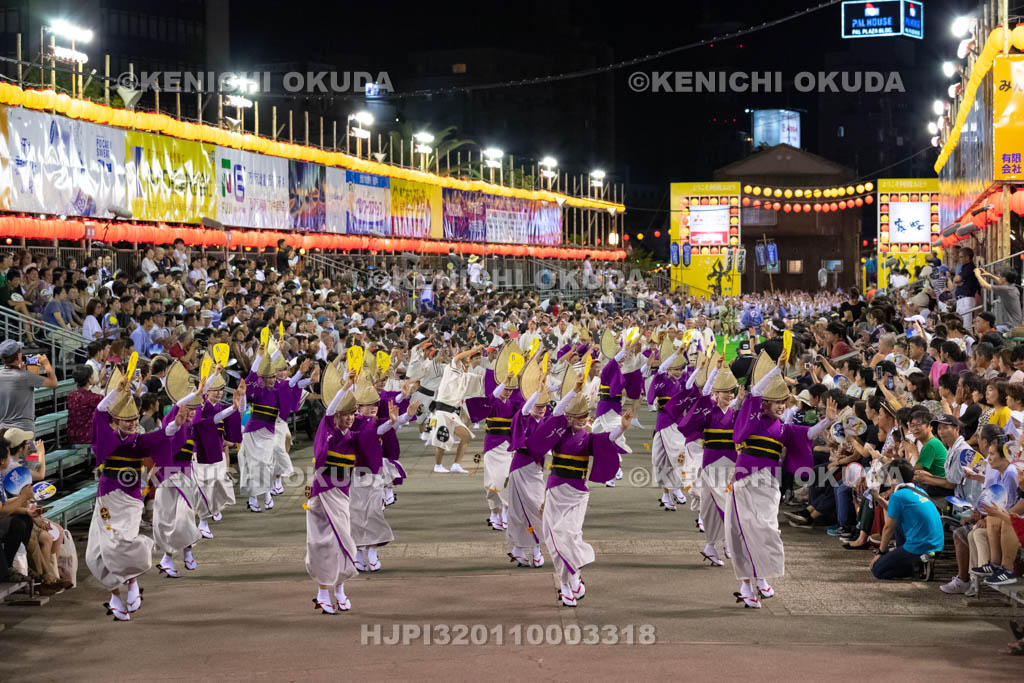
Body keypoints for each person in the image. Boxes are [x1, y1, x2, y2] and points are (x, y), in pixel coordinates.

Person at [726, 351, 836, 609]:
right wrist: (776, 371)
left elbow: (807, 433)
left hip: (769, 482)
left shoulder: (782, 428)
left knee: (767, 529)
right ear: (764, 402)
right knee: (742, 531)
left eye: (784, 402)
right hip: (745, 478)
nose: (781, 406)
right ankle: (747, 584)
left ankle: (760, 577)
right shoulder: (751, 416)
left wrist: (828, 421)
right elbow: (753, 394)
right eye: (776, 401)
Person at [87, 367, 187, 620]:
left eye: (134, 420)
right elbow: (99, 413)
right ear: (116, 420)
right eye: (126, 420)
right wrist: (117, 392)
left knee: (121, 543)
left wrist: (176, 423)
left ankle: (132, 581)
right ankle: (114, 594)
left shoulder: (138, 441)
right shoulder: (107, 435)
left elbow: (162, 435)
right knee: (98, 553)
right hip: (107, 498)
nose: (132, 424)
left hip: (131, 501)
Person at [531, 368, 630, 607]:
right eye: (576, 417)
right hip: (556, 489)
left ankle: (573, 575)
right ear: (568, 418)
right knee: (554, 538)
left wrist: (623, 428)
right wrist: (573, 392)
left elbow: (607, 439)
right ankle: (566, 584)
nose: (581, 420)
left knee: (570, 536)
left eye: (584, 417)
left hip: (577, 493)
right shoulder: (560, 432)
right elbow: (554, 413)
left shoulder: (589, 437)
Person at [870, 459, 944, 580]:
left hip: (920, 550)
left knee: (877, 570)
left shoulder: (897, 496)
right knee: (899, 519)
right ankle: (914, 562)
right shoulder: (920, 491)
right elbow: (893, 510)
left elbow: (888, 528)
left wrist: (881, 553)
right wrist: (878, 498)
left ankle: (915, 568)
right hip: (936, 549)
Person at [0, 340, 58, 436]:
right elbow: (54, 383)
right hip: (24, 431)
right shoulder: (26, 376)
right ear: (19, 356)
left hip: (3, 430)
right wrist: (46, 364)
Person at [67, 364, 103, 445]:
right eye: (92, 376)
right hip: (85, 436)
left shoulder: (71, 395)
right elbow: (107, 401)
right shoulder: (91, 398)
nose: (93, 377)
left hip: (72, 435)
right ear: (89, 379)